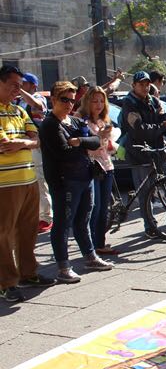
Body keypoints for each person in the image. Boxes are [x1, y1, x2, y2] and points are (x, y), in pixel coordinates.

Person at [39, 81, 114, 284]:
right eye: (64, 99)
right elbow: (64, 153)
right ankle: (63, 267)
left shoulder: (74, 122)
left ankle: (90, 257)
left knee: (83, 219)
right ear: (53, 99)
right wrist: (84, 143)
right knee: (63, 224)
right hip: (64, 181)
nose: (69, 104)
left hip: (84, 176)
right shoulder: (49, 124)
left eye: (72, 100)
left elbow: (96, 141)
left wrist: (80, 141)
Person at [0, 65, 54, 302]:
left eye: (20, 86)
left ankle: (28, 272)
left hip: (28, 179)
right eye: (13, 85)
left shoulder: (18, 111)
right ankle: (6, 282)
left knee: (28, 230)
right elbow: (4, 143)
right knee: (3, 234)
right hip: (4, 184)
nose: (17, 91)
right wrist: (26, 141)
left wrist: (21, 142)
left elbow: (37, 139)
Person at [119, 71, 166, 238]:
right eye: (141, 84)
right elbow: (139, 130)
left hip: (158, 151)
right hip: (139, 153)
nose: (145, 87)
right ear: (134, 85)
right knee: (146, 193)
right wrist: (162, 127)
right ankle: (150, 226)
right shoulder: (129, 104)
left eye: (147, 84)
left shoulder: (154, 101)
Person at [78, 86, 118, 255]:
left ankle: (100, 243)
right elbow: (83, 146)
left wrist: (110, 141)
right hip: (91, 168)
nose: (98, 104)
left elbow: (108, 149)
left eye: (102, 101)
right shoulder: (81, 120)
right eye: (94, 101)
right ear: (87, 102)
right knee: (94, 207)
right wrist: (100, 137)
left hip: (107, 166)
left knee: (104, 208)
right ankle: (91, 246)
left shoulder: (103, 121)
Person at [15, 72, 52, 233]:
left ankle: (46, 217)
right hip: (22, 148)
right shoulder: (17, 102)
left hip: (37, 146)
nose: (20, 86)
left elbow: (38, 106)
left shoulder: (38, 97)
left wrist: (20, 91)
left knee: (39, 180)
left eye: (23, 84)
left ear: (32, 85)